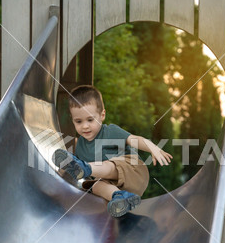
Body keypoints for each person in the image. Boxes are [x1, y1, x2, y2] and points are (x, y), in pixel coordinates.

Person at [53, 85, 172, 217]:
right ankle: (121, 197)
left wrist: (152, 148)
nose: (85, 126)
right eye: (78, 121)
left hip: (133, 171)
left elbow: (134, 139)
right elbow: (70, 169)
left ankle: (87, 168)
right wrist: (59, 172)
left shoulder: (110, 131)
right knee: (95, 186)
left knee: (107, 165)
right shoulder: (80, 145)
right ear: (72, 120)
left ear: (102, 115)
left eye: (90, 120)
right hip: (117, 184)